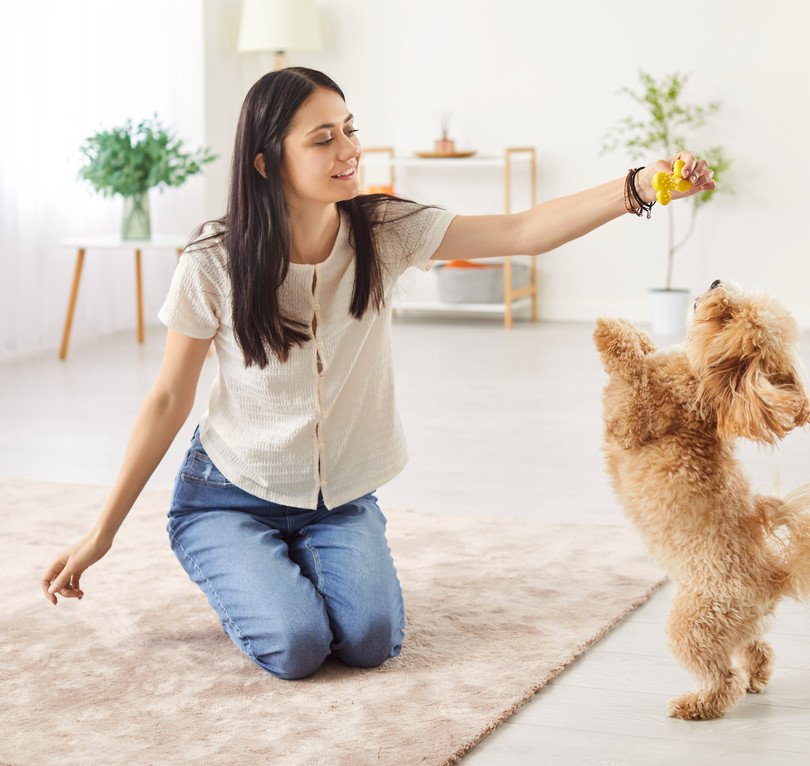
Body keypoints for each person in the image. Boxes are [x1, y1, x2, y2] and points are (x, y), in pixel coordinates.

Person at [40, 67, 717, 680]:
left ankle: (297, 566)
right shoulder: (213, 261)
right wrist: (101, 533)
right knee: (297, 647)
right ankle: (234, 559)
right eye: (323, 138)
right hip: (228, 494)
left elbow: (519, 231)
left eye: (350, 129)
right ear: (267, 161)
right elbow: (166, 399)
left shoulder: (383, 228)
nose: (348, 150)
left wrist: (636, 187)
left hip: (339, 499)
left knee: (368, 641)